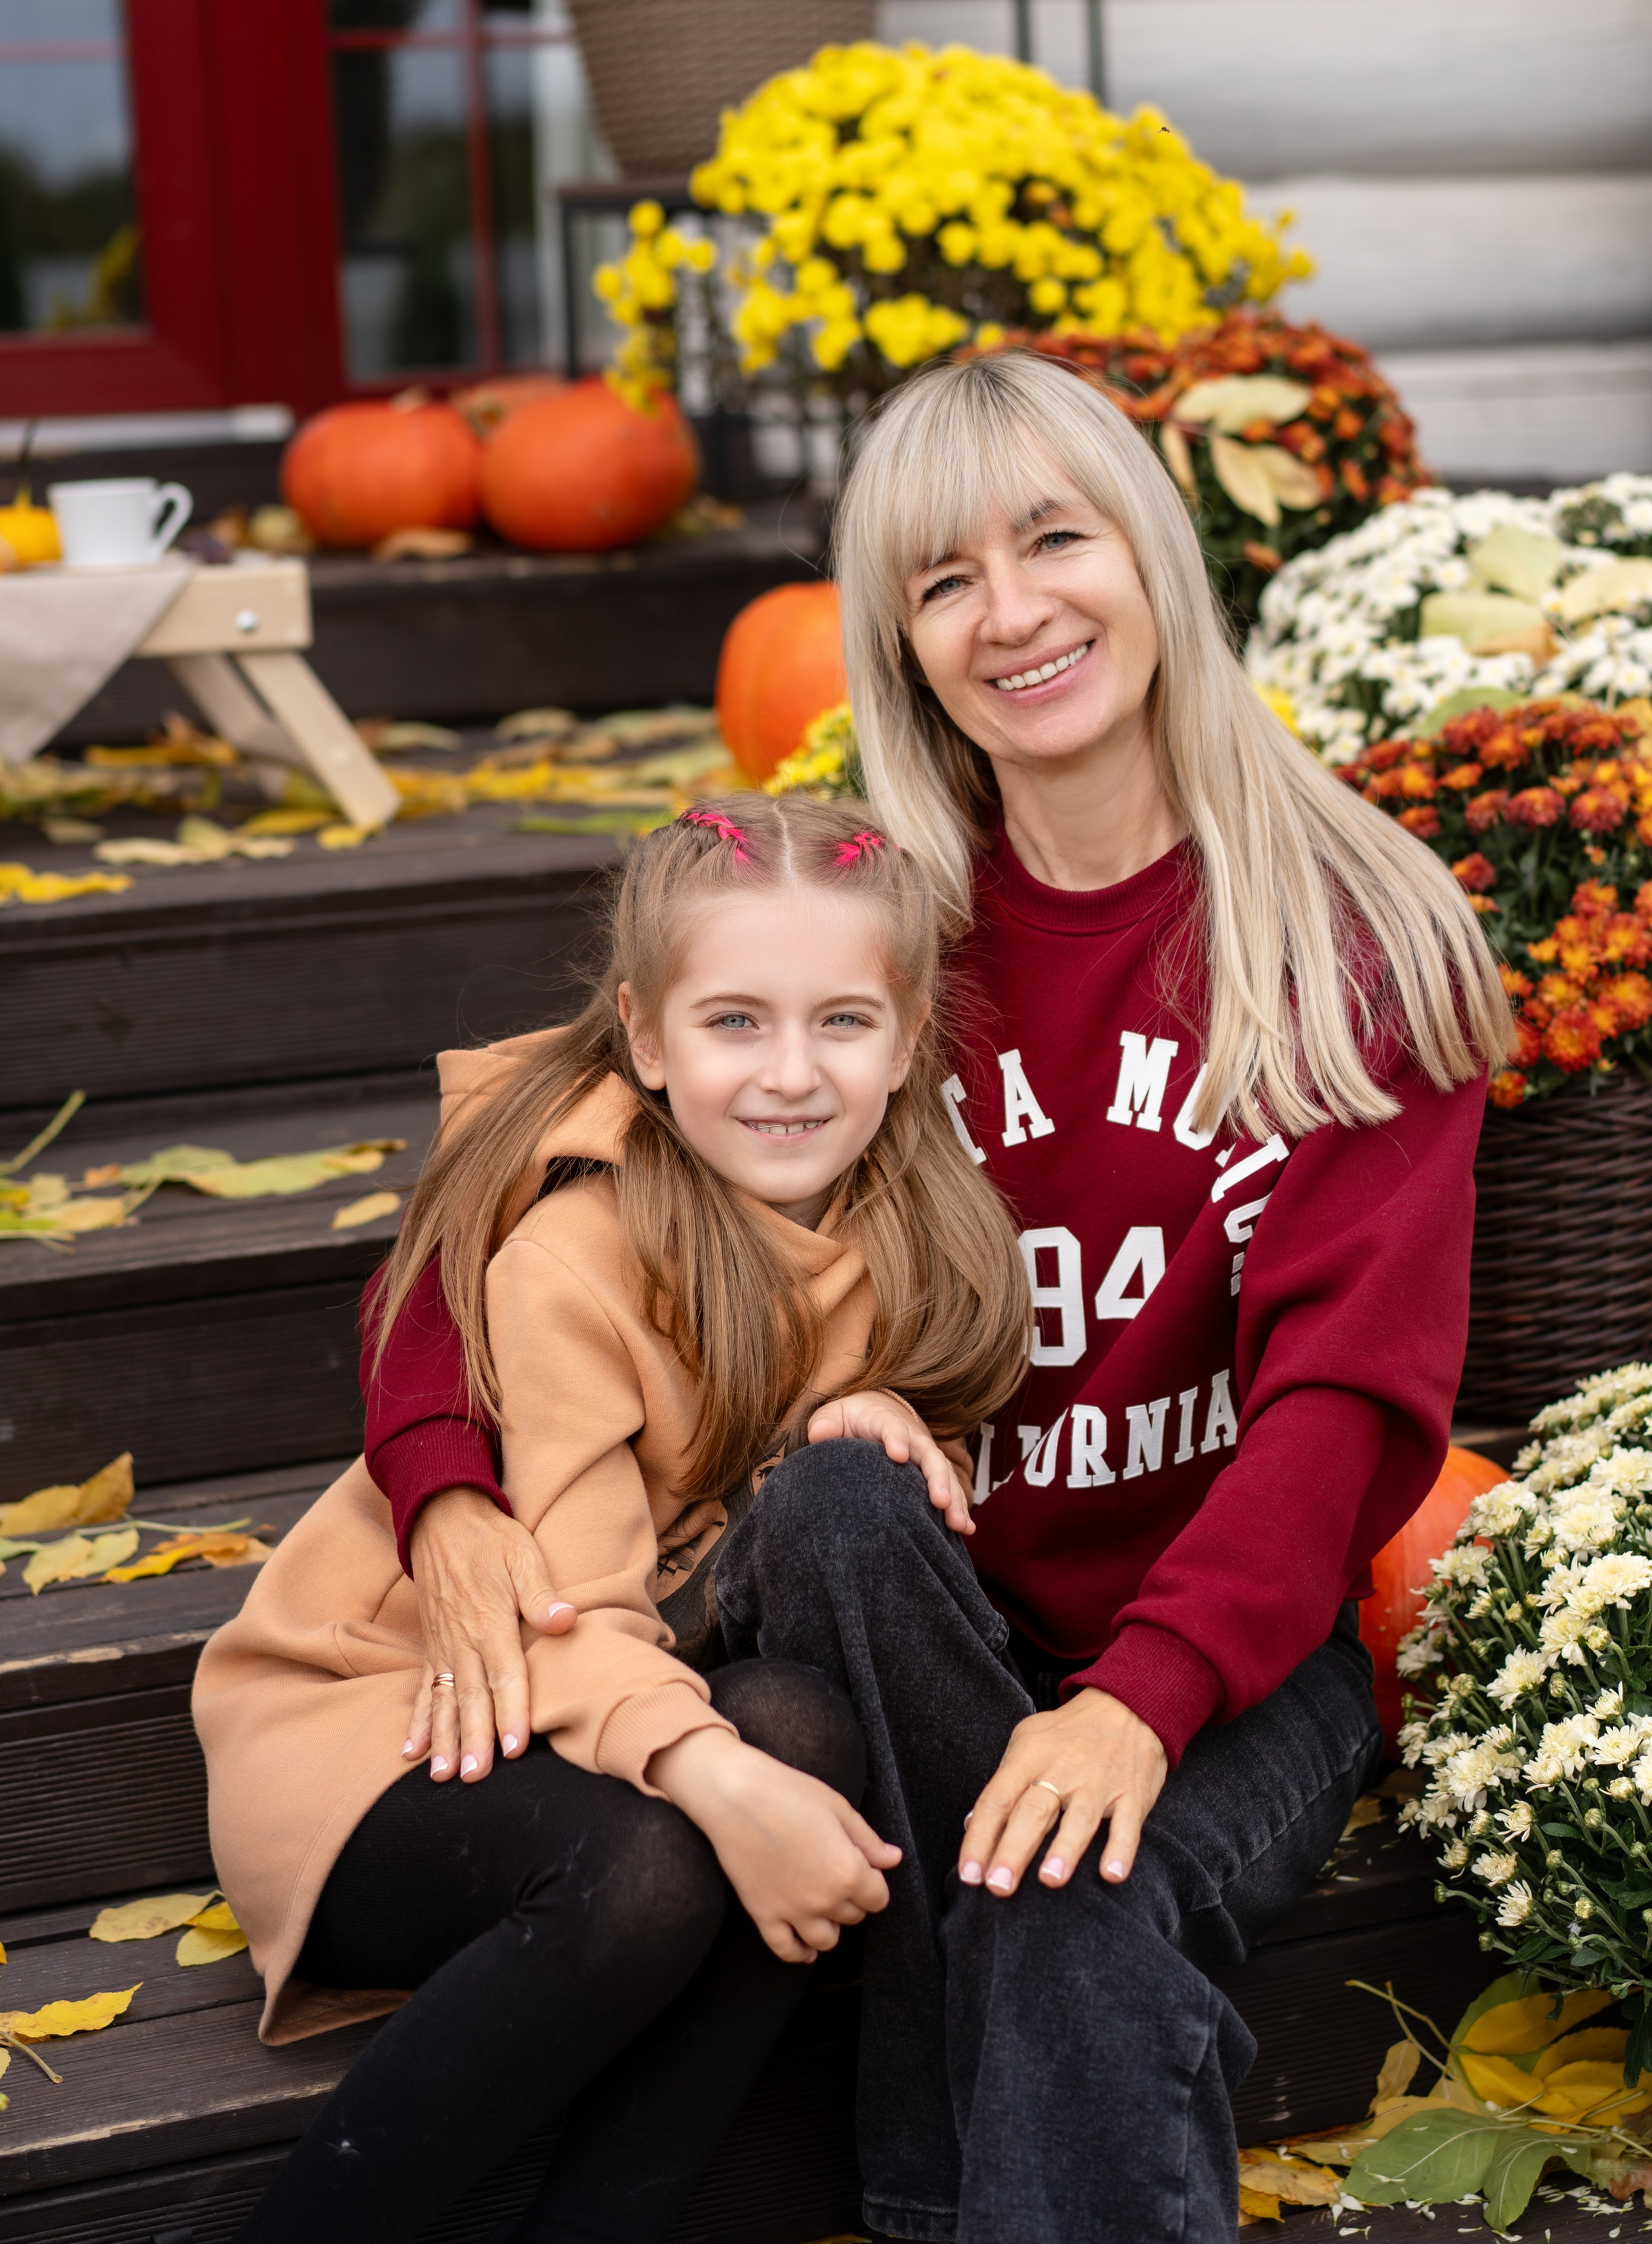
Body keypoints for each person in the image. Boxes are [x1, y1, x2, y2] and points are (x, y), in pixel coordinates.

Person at [361, 349, 1510, 2243]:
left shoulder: (1351, 937)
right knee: (836, 1502)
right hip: (908, 1618)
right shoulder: (877, 917)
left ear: (1150, 552)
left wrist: (1138, 1705)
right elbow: (497, 1186)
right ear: (901, 639)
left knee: (1070, 1893)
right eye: (943, 579)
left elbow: (1350, 1404)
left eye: (1054, 540)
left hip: (1232, 1658)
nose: (1012, 612)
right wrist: (445, 1488)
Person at [192, 791, 1031, 2244]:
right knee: (669, 1855)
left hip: (591, 1710)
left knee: (800, 1738)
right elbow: (562, 1609)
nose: (790, 1074)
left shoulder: (918, 1235)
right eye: (733, 1023)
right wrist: (718, 1782)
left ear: (907, 1045)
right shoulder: (576, 1256)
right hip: (397, 1719)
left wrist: (907, 1420)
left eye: (841, 1022)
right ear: (645, 1037)